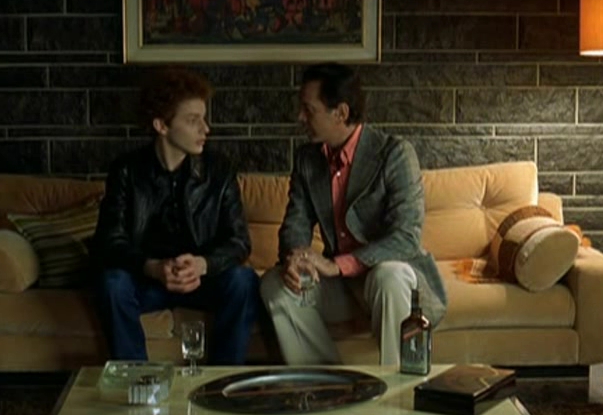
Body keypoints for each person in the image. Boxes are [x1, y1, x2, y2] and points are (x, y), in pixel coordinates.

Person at [260, 63, 447, 366]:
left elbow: (406, 237)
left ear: (341, 112)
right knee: (275, 284)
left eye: (309, 110)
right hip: (341, 288)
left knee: (389, 276)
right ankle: (326, 383)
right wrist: (296, 258)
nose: (300, 117)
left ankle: (396, 386)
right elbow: (295, 223)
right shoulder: (308, 159)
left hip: (390, 281)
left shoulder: (394, 154)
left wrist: (337, 265)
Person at [91, 67, 259, 364]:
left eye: (204, 118)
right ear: (161, 125)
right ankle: (136, 378)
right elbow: (108, 241)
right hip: (148, 280)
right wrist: (153, 267)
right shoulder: (127, 171)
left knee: (243, 280)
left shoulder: (219, 170)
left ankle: (222, 379)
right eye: (193, 121)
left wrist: (203, 264)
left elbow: (239, 241)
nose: (205, 129)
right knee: (112, 283)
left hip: (201, 280)